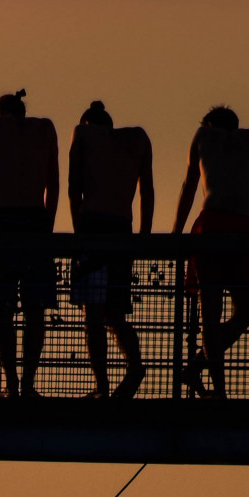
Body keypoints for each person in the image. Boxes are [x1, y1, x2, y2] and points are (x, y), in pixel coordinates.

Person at [172, 105, 249, 398]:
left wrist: (175, 232)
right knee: (240, 313)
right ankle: (211, 383)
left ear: (209, 124)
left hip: (214, 227)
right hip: (242, 226)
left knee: (215, 315)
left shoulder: (205, 136)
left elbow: (188, 186)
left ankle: (202, 370)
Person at [0, 89, 59, 400]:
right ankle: (28, 383)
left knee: (2, 309)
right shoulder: (45, 128)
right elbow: (54, 183)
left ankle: (11, 384)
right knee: (34, 309)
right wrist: (47, 228)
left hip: (4, 222)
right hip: (36, 221)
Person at [67, 100, 153, 402]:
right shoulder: (136, 140)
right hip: (122, 229)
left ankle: (102, 385)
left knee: (94, 315)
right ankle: (134, 366)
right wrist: (143, 235)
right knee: (114, 314)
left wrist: (79, 235)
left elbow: (73, 188)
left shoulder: (82, 135)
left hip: (92, 228)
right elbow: (147, 190)